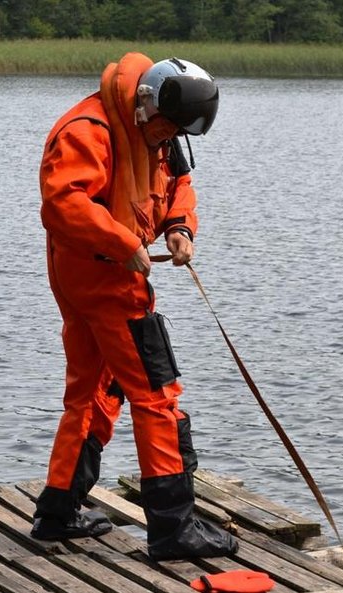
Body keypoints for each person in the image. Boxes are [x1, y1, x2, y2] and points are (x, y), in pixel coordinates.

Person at [31, 52, 238, 561]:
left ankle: (58, 511)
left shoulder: (159, 132)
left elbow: (177, 185)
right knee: (157, 393)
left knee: (92, 390)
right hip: (102, 278)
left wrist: (180, 228)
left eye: (175, 133)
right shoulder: (88, 129)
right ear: (147, 104)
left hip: (100, 275)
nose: (167, 139)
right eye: (165, 128)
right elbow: (63, 202)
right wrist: (122, 242)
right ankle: (172, 529)